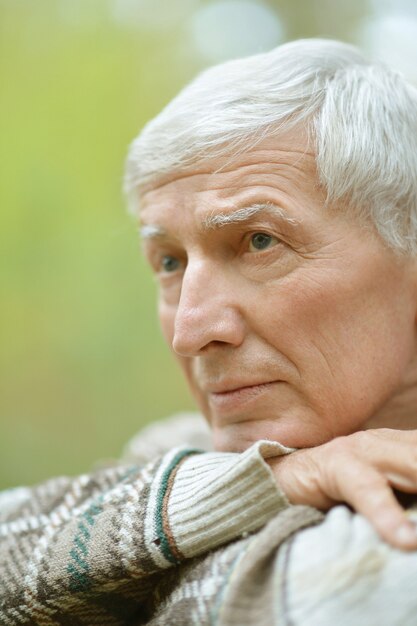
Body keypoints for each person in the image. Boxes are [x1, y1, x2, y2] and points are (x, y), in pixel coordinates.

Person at [1, 38, 417, 625]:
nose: (191, 331)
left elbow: (338, 596)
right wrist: (267, 483)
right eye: (170, 262)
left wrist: (123, 568)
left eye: (260, 241)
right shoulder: (177, 447)